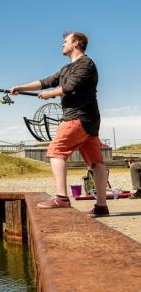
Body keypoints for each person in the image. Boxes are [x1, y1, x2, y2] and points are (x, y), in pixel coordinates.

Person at [10, 31, 109, 216]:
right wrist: (21, 87)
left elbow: (71, 87)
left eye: (66, 41)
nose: (62, 44)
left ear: (77, 43)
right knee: (96, 162)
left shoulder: (86, 64)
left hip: (77, 118)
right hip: (88, 121)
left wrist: (50, 94)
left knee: (55, 151)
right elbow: (45, 82)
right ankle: (101, 206)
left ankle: (62, 198)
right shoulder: (66, 68)